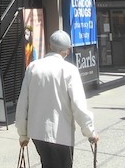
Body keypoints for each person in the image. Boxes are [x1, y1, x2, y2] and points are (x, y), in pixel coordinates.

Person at [15, 30, 99, 168]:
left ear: (49, 45)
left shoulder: (33, 67)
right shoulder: (69, 70)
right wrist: (90, 132)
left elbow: (23, 102)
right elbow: (78, 105)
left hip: (37, 132)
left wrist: (23, 134)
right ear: (68, 50)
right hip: (61, 133)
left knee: (47, 163)